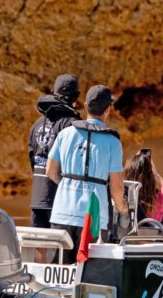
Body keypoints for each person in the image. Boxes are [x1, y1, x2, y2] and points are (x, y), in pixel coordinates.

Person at [46, 85, 129, 262]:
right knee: (90, 271)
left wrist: (67, 187)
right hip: (94, 215)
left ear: (85, 106)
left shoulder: (65, 134)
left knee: (58, 269)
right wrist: (122, 208)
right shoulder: (113, 142)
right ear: (108, 110)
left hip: (62, 211)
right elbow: (116, 186)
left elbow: (51, 172)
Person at [27, 74, 80, 228]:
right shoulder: (73, 125)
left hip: (38, 196)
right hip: (61, 200)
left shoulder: (36, 124)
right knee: (61, 249)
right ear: (76, 97)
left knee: (39, 245)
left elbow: (32, 158)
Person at [124, 152, 163, 226]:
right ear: (151, 178)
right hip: (151, 236)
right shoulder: (159, 200)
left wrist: (133, 162)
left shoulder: (124, 199)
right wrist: (158, 177)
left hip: (127, 236)